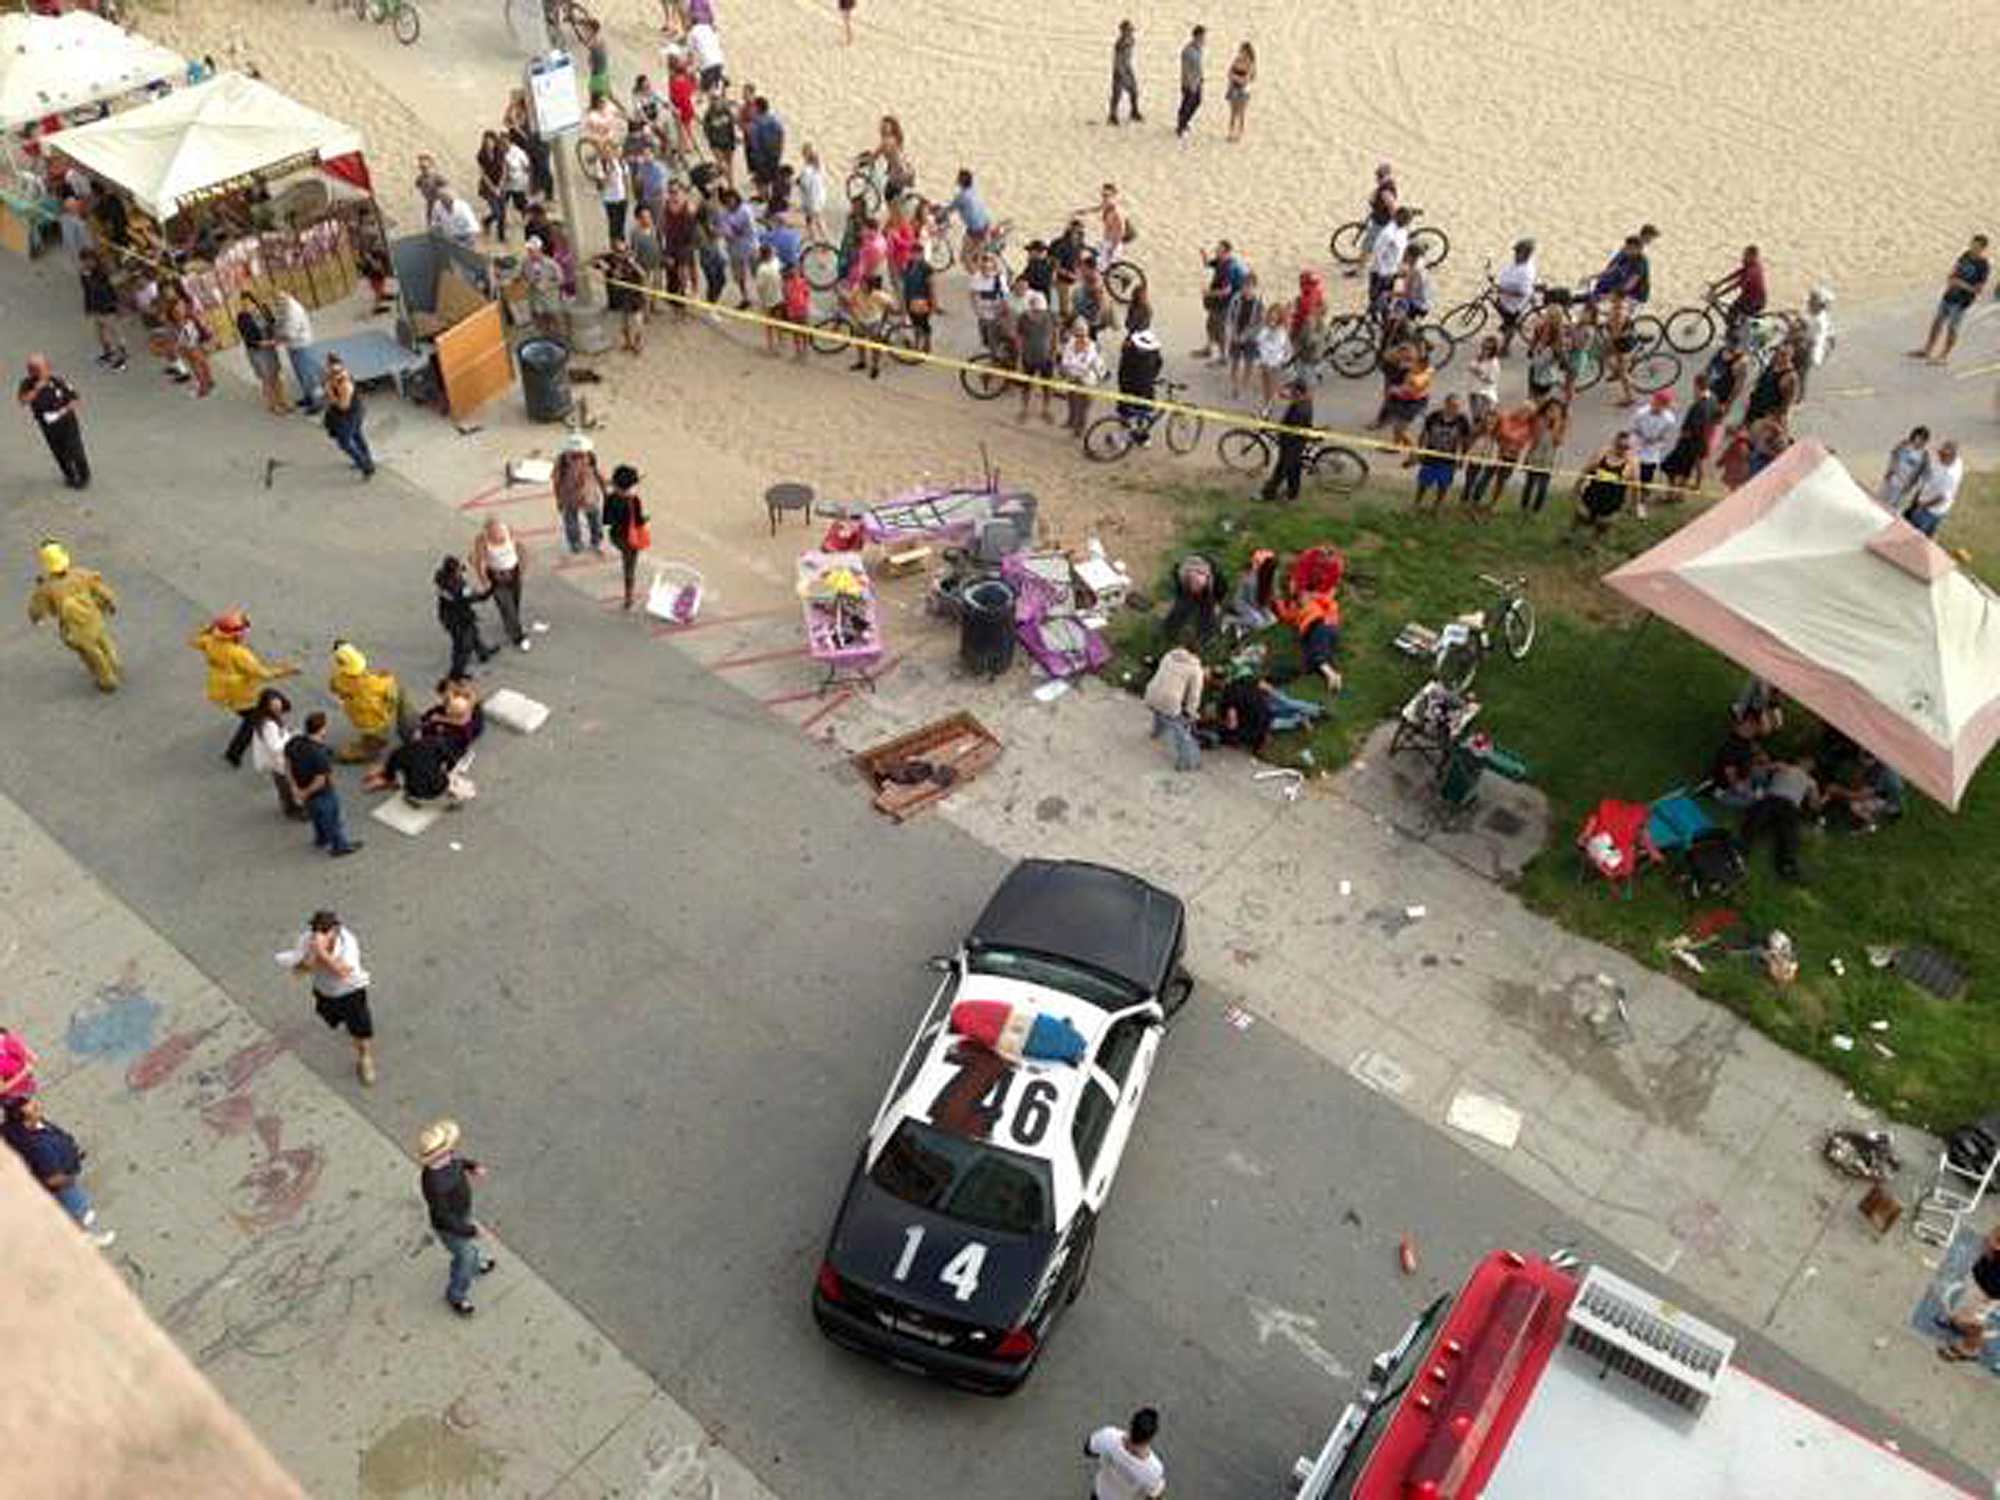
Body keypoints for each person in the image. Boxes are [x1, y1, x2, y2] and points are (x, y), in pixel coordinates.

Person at [191, 611, 299, 767]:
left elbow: (193, 640)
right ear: (235, 635)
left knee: (263, 706)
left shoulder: (210, 642)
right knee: (254, 719)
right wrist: (287, 670)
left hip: (221, 691)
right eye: (243, 632)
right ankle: (238, 752)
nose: (245, 634)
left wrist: (209, 629)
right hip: (243, 694)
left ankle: (276, 716)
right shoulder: (239, 654)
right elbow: (263, 674)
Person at [2, 1098, 114, 1248]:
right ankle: (84, 1237)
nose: (38, 1106)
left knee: (74, 1205)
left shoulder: (21, 1127)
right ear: (25, 1123)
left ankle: (79, 1215)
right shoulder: (39, 1147)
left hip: (60, 1176)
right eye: (34, 1109)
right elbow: (52, 1179)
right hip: (62, 1187)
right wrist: (69, 1179)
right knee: (73, 1210)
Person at [416, 1120, 495, 1316]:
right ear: (439, 1154)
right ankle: (456, 1295)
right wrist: (471, 1230)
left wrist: (472, 1166)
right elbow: (444, 1217)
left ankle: (476, 1265)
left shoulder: (449, 1158)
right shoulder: (432, 1183)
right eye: (447, 1149)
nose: (452, 1151)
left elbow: (459, 1162)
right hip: (449, 1228)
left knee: (466, 1251)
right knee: (464, 1257)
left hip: (463, 1212)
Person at [286, 910, 375, 1082]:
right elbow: (297, 973)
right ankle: (348, 1026)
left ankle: (365, 1058)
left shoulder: (348, 943)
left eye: (325, 931)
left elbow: (344, 972)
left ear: (336, 930)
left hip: (351, 993)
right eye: (316, 931)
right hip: (325, 993)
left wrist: (322, 953)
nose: (318, 936)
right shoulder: (307, 940)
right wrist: (310, 958)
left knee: (360, 1030)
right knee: (332, 1019)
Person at [26, 540, 119, 693]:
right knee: (103, 640)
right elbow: (102, 591)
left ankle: (106, 680)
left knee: (90, 653)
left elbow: (36, 607)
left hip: (74, 628)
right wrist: (110, 604)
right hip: (92, 616)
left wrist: (36, 619)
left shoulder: (47, 587)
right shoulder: (81, 574)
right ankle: (114, 662)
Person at [285, 713, 363, 860]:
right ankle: (339, 847)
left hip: (303, 788)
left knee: (316, 817)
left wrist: (295, 788)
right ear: (322, 729)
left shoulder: (294, 742)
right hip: (322, 793)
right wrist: (304, 793)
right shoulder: (320, 754)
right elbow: (320, 781)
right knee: (333, 820)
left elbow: (287, 765)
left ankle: (321, 839)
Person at [1914, 234, 1990, 364]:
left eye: (1976, 246)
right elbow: (1956, 268)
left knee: (1952, 328)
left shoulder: (1983, 265)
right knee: (1937, 323)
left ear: (1982, 248)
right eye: (1972, 244)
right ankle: (1928, 349)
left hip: (1962, 301)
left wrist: (1961, 284)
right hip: (1949, 295)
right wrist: (1951, 276)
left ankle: (1944, 356)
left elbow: (1978, 290)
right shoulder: (1965, 255)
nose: (1972, 247)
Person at [1739, 756, 1817, 882]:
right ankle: (1741, 853)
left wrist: (1815, 796)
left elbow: (1814, 805)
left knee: (1790, 834)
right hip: (1773, 798)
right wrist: (1762, 768)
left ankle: (1787, 867)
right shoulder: (1784, 766)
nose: (1808, 764)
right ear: (1799, 760)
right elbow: (1759, 770)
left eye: (1811, 764)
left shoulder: (1811, 781)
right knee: (1755, 820)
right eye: (1807, 761)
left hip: (1790, 806)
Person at [17, 353, 89, 489]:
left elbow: (75, 399)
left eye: (43, 367)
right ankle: (70, 476)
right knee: (58, 451)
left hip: (66, 421)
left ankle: (84, 476)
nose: (44, 371)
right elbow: (23, 401)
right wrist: (37, 388)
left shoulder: (58, 381)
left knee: (75, 448)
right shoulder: (27, 383)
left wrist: (62, 412)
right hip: (47, 424)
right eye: (35, 368)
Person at [328, 640, 401, 762]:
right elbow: (390, 691)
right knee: (376, 734)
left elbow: (334, 687)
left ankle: (367, 744)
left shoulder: (338, 679)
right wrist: (388, 676)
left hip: (356, 716)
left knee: (366, 735)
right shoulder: (373, 683)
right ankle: (371, 751)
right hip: (377, 721)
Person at [470, 517, 531, 653]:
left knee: (514, 603)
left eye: (499, 532)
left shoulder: (509, 532)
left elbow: (521, 550)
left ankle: (510, 623)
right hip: (496, 577)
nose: (497, 536)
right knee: (506, 605)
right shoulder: (482, 540)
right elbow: (479, 561)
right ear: (487, 531)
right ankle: (519, 637)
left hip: (513, 573)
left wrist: (523, 570)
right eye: (493, 533)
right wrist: (484, 580)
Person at [363, 732, 464, 809]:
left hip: (417, 791)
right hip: (441, 786)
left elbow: (390, 774)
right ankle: (450, 798)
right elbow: (451, 759)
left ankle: (412, 798)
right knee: (436, 777)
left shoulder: (397, 753)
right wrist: (448, 769)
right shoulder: (435, 742)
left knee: (403, 774)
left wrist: (384, 774)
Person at [1144, 647, 1205, 773]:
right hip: (1168, 703)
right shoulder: (1196, 669)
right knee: (1180, 730)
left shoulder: (1168, 655)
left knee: (1160, 708)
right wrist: (1191, 713)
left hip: (1151, 694)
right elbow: (1194, 695)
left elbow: (1166, 679)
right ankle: (1186, 763)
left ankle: (1156, 732)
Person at [1276, 581, 1343, 694]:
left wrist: (1330, 618)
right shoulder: (1294, 607)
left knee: (1317, 654)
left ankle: (1332, 676)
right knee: (1312, 661)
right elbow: (1285, 616)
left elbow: (1332, 604)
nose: (1302, 597)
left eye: (1304, 594)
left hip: (1319, 625)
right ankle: (1333, 676)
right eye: (1299, 595)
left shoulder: (1314, 601)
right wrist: (1278, 601)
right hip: (1309, 633)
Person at [435, 555, 497, 677]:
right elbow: (478, 597)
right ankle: (456, 673)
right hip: (459, 619)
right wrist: (492, 588)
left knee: (473, 632)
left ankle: (483, 653)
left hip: (447, 615)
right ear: (454, 573)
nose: (461, 572)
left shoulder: (442, 578)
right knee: (462, 646)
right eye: (458, 570)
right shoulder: (458, 587)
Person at [246, 686, 302, 819]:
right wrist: (292, 737)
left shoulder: (265, 719)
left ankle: (290, 807)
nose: (278, 707)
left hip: (276, 761)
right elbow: (275, 747)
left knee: (283, 784)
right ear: (266, 706)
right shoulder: (269, 725)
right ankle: (292, 810)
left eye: (278, 703)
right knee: (286, 784)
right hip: (278, 761)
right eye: (273, 705)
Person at [1086, 1408, 1166, 1500]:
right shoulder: (1154, 1470)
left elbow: (1088, 1449)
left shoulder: (1109, 1436)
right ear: (1151, 1437)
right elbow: (1153, 1496)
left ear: (1131, 1425)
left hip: (1099, 1493)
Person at [1571, 433, 1637, 540]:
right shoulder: (1601, 456)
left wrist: (1630, 508)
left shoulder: (1632, 464)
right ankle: (1569, 540)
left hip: (1610, 507)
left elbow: (1635, 489)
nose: (1622, 450)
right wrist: (1576, 498)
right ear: (1614, 444)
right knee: (1576, 526)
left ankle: (1592, 547)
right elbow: (1583, 474)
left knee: (1599, 533)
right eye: (1619, 446)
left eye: (1626, 448)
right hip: (1590, 500)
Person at [1660, 375, 1719, 494]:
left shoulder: (1698, 406)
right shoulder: (1713, 398)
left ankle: (1672, 494)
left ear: (1697, 386)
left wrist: (1682, 437)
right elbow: (1716, 416)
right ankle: (1686, 490)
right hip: (1703, 440)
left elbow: (1690, 429)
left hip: (1690, 443)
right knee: (1689, 468)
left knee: (1671, 467)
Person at [604, 464, 650, 609]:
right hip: (629, 539)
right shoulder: (634, 501)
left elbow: (605, 520)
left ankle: (628, 597)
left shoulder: (610, 497)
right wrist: (645, 519)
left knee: (624, 555)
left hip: (615, 536)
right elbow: (637, 521)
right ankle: (628, 599)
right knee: (629, 568)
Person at [1413, 394, 1471, 510]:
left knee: (1444, 485)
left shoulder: (1462, 420)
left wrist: (1462, 457)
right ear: (1446, 404)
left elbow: (1465, 441)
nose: (1454, 408)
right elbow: (1424, 434)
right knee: (1423, 483)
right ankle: (1416, 504)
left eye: (1457, 406)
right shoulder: (1434, 416)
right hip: (1430, 456)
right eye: (1452, 405)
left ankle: (1437, 507)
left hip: (1449, 459)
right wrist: (1419, 451)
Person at [321, 354, 374, 479]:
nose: (329, 371)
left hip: (350, 415)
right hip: (349, 413)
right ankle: (367, 459)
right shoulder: (332, 377)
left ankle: (366, 466)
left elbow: (344, 406)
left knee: (344, 442)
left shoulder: (345, 384)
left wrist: (330, 394)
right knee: (357, 435)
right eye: (328, 368)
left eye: (334, 370)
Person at [235, 291, 288, 415]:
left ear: (254, 301)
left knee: (276, 374)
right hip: (257, 351)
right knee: (267, 378)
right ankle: (273, 404)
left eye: (250, 303)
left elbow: (273, 322)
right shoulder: (242, 318)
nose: (248, 307)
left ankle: (282, 401)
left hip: (270, 347)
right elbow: (250, 341)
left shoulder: (263, 309)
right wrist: (270, 343)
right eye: (244, 305)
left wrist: (277, 335)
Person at [554, 432, 607, 553]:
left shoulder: (592, 459)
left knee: (595, 521)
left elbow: (600, 475)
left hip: (590, 497)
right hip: (569, 498)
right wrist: (558, 500)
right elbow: (556, 482)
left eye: (582, 455)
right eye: (575, 455)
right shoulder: (561, 462)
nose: (579, 458)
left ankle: (596, 541)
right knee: (571, 523)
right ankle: (575, 543)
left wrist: (605, 493)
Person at [1262, 381, 1315, 502]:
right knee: (1294, 469)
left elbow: (1289, 427)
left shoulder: (1301, 409)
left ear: (1298, 392)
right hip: (1295, 441)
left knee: (1282, 469)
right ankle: (1292, 494)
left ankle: (1267, 494)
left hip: (1292, 443)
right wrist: (1281, 395)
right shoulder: (1303, 401)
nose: (1289, 393)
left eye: (1292, 391)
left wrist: (1276, 426)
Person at [1516, 395, 1567, 516]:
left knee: (1543, 487)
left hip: (1549, 460)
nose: (1553, 412)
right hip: (1536, 456)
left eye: (1557, 409)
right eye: (1551, 409)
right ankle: (1523, 508)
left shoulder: (1561, 424)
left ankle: (1535, 511)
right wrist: (1527, 457)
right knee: (1530, 483)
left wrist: (1555, 424)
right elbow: (1535, 440)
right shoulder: (1540, 421)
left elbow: (1557, 442)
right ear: (1546, 409)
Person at [1160, 552, 1224, 648]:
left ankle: (1206, 639)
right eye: (1193, 585)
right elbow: (1179, 592)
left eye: (1197, 587)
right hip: (1188, 580)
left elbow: (1220, 593)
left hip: (1207, 587)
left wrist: (1217, 604)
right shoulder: (1182, 576)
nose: (1195, 588)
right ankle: (1169, 634)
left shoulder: (1214, 581)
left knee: (1207, 612)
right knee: (1180, 608)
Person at [1705, 710, 1767, 808]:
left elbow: (1761, 757)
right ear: (1739, 726)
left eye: (1755, 727)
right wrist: (1742, 787)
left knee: (1760, 771)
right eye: (1750, 726)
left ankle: (1757, 791)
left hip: (1742, 774)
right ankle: (1720, 795)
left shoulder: (1747, 741)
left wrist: (1759, 757)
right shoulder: (1731, 747)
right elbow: (1730, 774)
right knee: (1750, 800)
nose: (1753, 730)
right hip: (1725, 786)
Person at [1629, 390, 1680, 509]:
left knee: (1647, 476)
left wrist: (1655, 439)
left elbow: (1666, 435)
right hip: (1638, 447)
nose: (1658, 406)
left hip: (1653, 452)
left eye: (1663, 405)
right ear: (1653, 401)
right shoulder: (1641, 413)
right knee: (1635, 474)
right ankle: (1633, 498)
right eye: (1656, 402)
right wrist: (1643, 437)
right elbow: (1633, 428)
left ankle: (1642, 499)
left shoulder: (1669, 419)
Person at [1197, 240, 1246, 361]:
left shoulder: (1229, 267)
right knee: (1210, 324)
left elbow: (1226, 291)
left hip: (1227, 302)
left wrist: (1208, 293)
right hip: (1218, 301)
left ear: (1226, 252)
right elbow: (1207, 264)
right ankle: (1208, 349)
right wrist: (1203, 255)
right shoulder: (1220, 261)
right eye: (1216, 250)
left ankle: (1224, 357)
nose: (1216, 252)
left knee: (1220, 329)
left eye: (1219, 250)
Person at [78, 250, 127, 371]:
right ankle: (108, 353)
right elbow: (87, 292)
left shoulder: (102, 272)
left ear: (94, 259)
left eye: (88, 260)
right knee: (100, 333)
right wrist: (88, 307)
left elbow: (110, 289)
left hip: (107, 307)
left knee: (115, 332)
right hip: (95, 307)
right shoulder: (84, 274)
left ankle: (122, 356)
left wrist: (117, 306)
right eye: (84, 261)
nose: (86, 263)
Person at [596, 239, 647, 354]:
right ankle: (628, 342)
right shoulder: (613, 262)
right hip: (623, 296)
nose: (621, 254)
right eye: (618, 252)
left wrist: (632, 264)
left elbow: (643, 274)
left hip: (635, 295)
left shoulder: (632, 261)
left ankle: (638, 343)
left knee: (638, 322)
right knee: (624, 322)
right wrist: (603, 264)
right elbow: (597, 263)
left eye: (623, 251)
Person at [1903, 439, 1962, 537]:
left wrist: (1922, 505)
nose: (1939, 455)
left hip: (1930, 511)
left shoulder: (1950, 475)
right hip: (1929, 502)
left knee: (1913, 533)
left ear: (1950, 456)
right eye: (1940, 452)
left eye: (1943, 454)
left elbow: (1942, 498)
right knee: (1926, 533)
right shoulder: (1955, 461)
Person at [1059, 319, 1108, 436]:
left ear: (1087, 333)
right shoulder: (1070, 343)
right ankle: (1071, 421)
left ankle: (1080, 429)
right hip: (1072, 379)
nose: (1079, 337)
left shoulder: (1093, 347)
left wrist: (1097, 379)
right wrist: (1066, 371)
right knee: (1071, 401)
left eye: (1082, 334)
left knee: (1083, 407)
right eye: (1077, 334)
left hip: (1087, 382)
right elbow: (1065, 360)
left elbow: (1096, 367)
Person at [274, 291, 320, 412]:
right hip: (294, 346)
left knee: (308, 375)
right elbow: (280, 321)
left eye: (279, 301)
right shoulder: (286, 307)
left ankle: (317, 402)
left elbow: (290, 333)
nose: (277, 304)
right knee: (301, 374)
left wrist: (276, 339)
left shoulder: (293, 311)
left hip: (301, 346)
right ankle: (308, 396)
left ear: (287, 298)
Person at [1115, 328, 1163, 441]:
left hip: (1145, 390)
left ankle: (1142, 436)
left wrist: (1151, 379)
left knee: (1143, 414)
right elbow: (1122, 373)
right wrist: (1125, 388)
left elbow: (1158, 365)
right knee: (1126, 413)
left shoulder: (1155, 353)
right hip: (1129, 389)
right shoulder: (1128, 354)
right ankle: (1123, 436)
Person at [1492, 238, 1537, 356]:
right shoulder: (1516, 262)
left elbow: (1522, 293)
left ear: (1526, 254)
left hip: (1514, 304)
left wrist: (1504, 290)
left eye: (1518, 252)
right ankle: (1506, 324)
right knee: (1504, 315)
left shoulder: (1527, 272)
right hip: (1504, 298)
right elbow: (1506, 271)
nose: (1515, 254)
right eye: (1516, 251)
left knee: (1511, 324)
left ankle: (1506, 348)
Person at [1368, 207, 1413, 314]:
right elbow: (1378, 253)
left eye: (1408, 220)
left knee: (1387, 297)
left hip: (1392, 270)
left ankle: (1383, 315)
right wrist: (1382, 273)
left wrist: (1403, 265)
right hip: (1381, 272)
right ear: (1397, 217)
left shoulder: (1403, 231)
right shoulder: (1387, 234)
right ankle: (1373, 316)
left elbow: (1403, 248)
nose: (1406, 222)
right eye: (1405, 219)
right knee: (1376, 297)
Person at [1224, 549, 1280, 633]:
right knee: (1259, 622)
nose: (1260, 552)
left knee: (1272, 620)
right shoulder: (1250, 577)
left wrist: (1264, 609)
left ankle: (1244, 627)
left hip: (1254, 602)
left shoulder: (1267, 577)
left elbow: (1267, 594)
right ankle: (1229, 619)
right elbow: (1251, 600)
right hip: (1241, 602)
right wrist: (1259, 611)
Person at [1711, 245, 1766, 329]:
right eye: (1744, 255)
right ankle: (1733, 330)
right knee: (1732, 312)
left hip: (1754, 301)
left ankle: (1735, 333)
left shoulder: (1753, 271)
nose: (1743, 257)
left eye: (1746, 255)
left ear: (1753, 256)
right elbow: (1735, 274)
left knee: (1733, 312)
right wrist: (1718, 283)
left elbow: (1736, 284)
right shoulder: (1749, 266)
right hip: (1747, 297)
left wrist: (1719, 294)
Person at [1879, 426, 1931, 512]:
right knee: (1880, 500)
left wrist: (1912, 487)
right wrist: (1890, 469)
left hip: (1903, 486)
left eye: (1922, 439)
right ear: (1913, 436)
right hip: (1892, 478)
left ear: (1925, 441)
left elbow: (1925, 475)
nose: (1918, 441)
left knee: (1891, 508)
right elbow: (1894, 454)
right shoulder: (1904, 444)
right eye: (1917, 437)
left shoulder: (1924, 456)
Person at [1174, 25, 1206, 138]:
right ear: (1196, 36)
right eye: (1202, 37)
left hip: (1197, 82)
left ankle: (1184, 122)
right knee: (1188, 104)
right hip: (1189, 83)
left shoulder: (1199, 49)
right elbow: (1186, 69)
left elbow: (1198, 66)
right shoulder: (1187, 51)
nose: (1203, 39)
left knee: (1196, 102)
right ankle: (1181, 126)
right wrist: (1189, 83)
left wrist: (1201, 78)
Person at [1108, 19, 1141, 124]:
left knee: (1134, 91)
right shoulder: (1120, 44)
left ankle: (1134, 111)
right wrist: (1120, 72)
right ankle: (1112, 116)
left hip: (1128, 67)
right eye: (1128, 30)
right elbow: (1118, 60)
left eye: (1131, 30)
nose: (1130, 32)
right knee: (1117, 94)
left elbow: (1128, 57)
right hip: (1119, 69)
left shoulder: (1132, 40)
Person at [1222, 40, 1256, 140]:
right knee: (1233, 112)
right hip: (1234, 88)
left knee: (1241, 113)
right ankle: (1231, 132)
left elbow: (1246, 80)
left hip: (1244, 91)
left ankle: (1239, 134)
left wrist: (1235, 77)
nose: (1241, 52)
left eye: (1242, 50)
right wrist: (1236, 77)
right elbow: (1229, 73)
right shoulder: (1237, 60)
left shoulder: (1250, 64)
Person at [0, 1027, 38, 1108]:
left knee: (34, 1110)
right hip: (15, 1098)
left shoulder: (6, 1035)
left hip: (27, 1087)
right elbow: (1, 1089)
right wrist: (24, 1073)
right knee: (29, 1115)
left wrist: (28, 1054)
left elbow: (32, 1056)